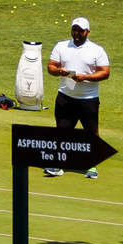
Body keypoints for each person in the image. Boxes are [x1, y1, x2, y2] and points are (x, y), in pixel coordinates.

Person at [48, 16, 110, 177]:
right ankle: (59, 165)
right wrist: (58, 71)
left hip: (88, 98)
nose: (76, 33)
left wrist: (85, 77)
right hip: (65, 96)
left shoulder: (97, 50)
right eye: (74, 30)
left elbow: (105, 73)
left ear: (87, 32)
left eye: (80, 31)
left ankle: (92, 165)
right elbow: (51, 67)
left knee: (91, 132)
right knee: (62, 131)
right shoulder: (61, 46)